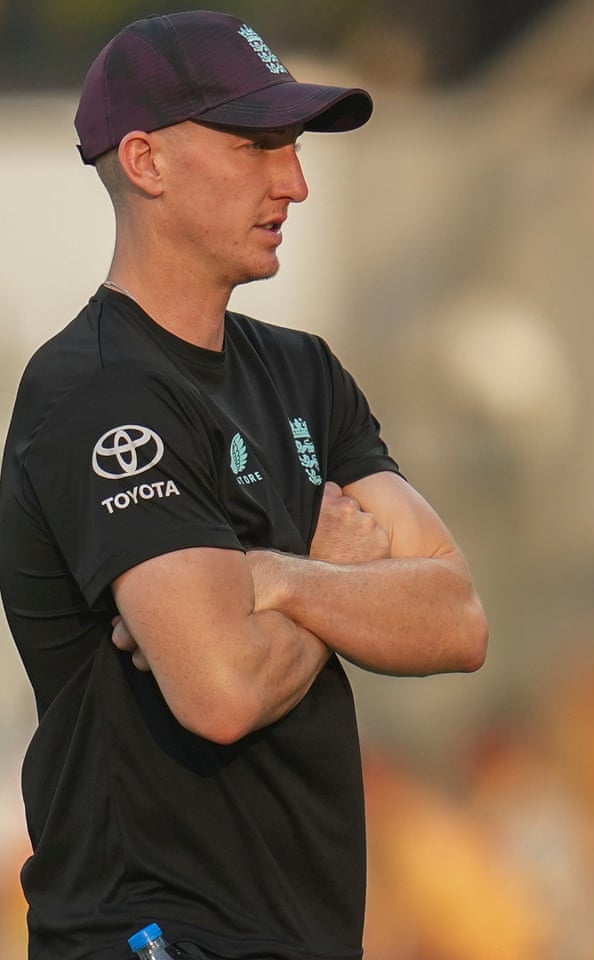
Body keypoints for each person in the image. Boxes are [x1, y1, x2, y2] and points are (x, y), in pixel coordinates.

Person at [0, 11, 488, 960]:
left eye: (294, 148)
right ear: (144, 162)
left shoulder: (302, 371)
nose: (295, 182)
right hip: (146, 937)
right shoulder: (96, 392)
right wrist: (335, 569)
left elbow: (459, 618)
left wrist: (283, 578)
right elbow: (218, 690)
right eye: (258, 144)